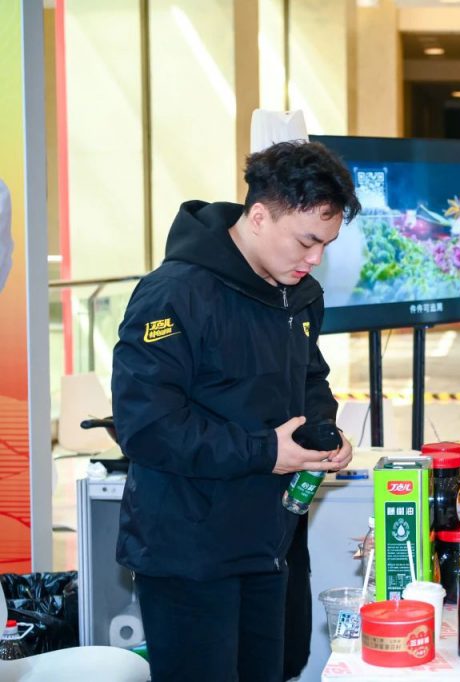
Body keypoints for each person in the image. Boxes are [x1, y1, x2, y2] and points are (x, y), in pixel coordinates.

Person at [111, 140, 361, 681]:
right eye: (307, 241)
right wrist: (265, 451)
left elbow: (309, 378)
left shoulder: (298, 295)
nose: (315, 259)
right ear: (260, 216)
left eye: (326, 244)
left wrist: (322, 432)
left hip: (270, 542)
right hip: (189, 551)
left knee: (276, 668)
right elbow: (147, 425)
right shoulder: (174, 295)